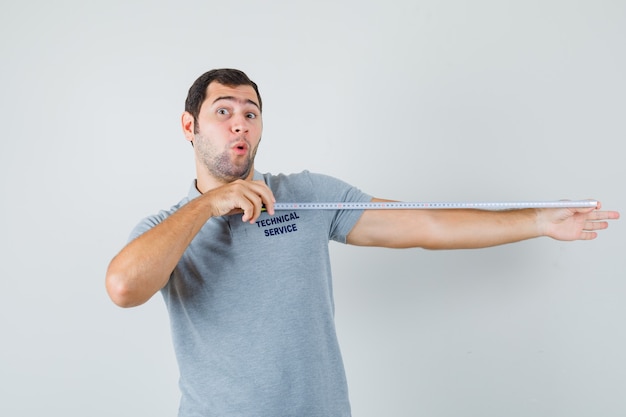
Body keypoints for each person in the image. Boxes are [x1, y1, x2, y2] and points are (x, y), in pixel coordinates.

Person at [105, 68, 619, 416]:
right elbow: (124, 286)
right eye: (223, 111)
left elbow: (425, 226)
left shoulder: (305, 195)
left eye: (251, 111)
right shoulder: (164, 229)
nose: (240, 122)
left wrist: (538, 221)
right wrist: (207, 206)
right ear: (189, 126)